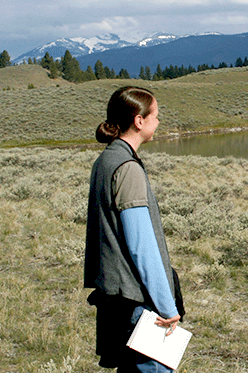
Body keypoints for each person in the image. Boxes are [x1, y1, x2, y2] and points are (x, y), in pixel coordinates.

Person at [85, 86, 184, 372]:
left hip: (115, 298)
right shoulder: (128, 167)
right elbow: (142, 246)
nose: (158, 121)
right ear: (139, 121)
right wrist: (167, 307)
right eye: (155, 115)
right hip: (137, 302)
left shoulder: (106, 160)